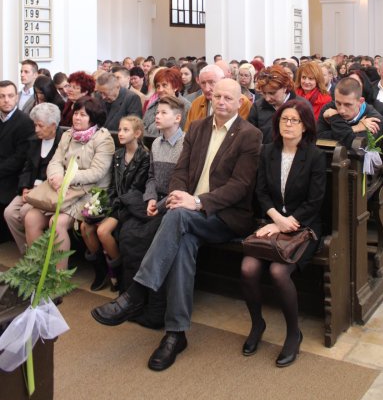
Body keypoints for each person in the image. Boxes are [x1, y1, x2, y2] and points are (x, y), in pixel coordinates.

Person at [91, 79, 262, 372]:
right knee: (181, 246)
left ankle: (135, 293)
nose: (221, 101)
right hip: (187, 212)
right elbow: (181, 170)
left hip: (224, 216)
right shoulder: (197, 128)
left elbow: (240, 186)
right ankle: (175, 334)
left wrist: (196, 202)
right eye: (217, 96)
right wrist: (178, 195)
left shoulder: (250, 135)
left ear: (239, 102)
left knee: (178, 217)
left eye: (228, 98)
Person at [240, 99, 326, 367]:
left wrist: (284, 223)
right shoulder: (268, 151)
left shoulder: (314, 156)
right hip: (273, 222)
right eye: (284, 120)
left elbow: (315, 201)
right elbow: (261, 192)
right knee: (248, 268)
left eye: (294, 120)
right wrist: (276, 219)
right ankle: (257, 324)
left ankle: (293, 334)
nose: (288, 125)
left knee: (279, 271)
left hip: (305, 226)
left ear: (305, 126)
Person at [117, 96, 186, 328]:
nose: (157, 116)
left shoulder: (186, 144)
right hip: (155, 201)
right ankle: (132, 300)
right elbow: (151, 178)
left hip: (174, 203)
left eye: (163, 113)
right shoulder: (156, 143)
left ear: (177, 118)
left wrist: (161, 204)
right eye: (156, 112)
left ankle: (155, 308)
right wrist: (151, 199)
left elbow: (183, 183)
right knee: (128, 231)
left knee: (149, 239)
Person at [24, 96, 115, 268]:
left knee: (56, 223)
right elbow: (55, 161)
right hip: (62, 188)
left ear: (93, 118)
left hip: (90, 193)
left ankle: (59, 275)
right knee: (31, 218)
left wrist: (66, 178)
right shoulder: (68, 135)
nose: (77, 118)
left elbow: (97, 172)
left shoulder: (103, 139)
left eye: (83, 115)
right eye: (75, 113)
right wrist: (56, 179)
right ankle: (38, 268)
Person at [80, 115, 149, 291]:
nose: (120, 133)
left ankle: (118, 273)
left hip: (129, 205)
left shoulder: (144, 156)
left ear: (137, 133)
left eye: (126, 130)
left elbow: (135, 189)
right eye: (119, 129)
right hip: (115, 201)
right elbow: (112, 186)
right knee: (85, 226)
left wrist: (112, 206)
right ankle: (101, 270)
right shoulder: (118, 155)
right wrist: (100, 204)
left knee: (103, 231)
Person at [4, 103, 62, 253]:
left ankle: (39, 254)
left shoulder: (63, 142)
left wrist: (36, 191)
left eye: (40, 125)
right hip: (30, 188)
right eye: (35, 125)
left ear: (53, 125)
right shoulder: (34, 140)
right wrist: (24, 187)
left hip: (48, 191)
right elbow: (27, 167)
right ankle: (28, 252)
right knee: (9, 213)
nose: (36, 129)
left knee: (25, 212)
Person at [0, 81, 36, 241]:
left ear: (16, 97)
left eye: (10, 96)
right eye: (2, 96)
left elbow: (20, 158)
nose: (6, 100)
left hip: (13, 175)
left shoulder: (24, 122)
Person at [317, 77, 383, 147]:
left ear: (360, 102)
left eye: (348, 105)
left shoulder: (374, 119)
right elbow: (319, 137)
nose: (342, 110)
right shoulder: (329, 109)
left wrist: (335, 118)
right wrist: (356, 128)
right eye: (338, 103)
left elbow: (354, 145)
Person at [248, 66, 300, 144]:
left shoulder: (301, 106)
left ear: (284, 88)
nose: (267, 98)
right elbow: (251, 137)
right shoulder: (257, 107)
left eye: (272, 93)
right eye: (264, 93)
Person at [143, 67, 190, 135]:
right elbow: (144, 128)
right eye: (158, 86)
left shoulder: (185, 107)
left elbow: (187, 132)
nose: (160, 90)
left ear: (175, 87)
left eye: (164, 85)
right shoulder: (153, 106)